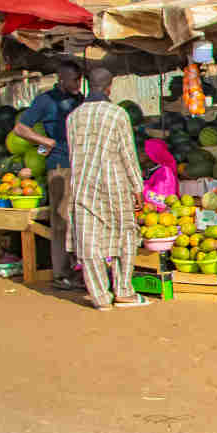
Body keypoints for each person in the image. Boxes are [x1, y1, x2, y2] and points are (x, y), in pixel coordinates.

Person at [65, 67, 149, 310]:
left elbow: (73, 156)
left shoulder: (73, 117)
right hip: (115, 183)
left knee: (89, 241)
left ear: (88, 86)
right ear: (110, 87)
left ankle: (100, 296)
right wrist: (137, 188)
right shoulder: (117, 114)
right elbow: (127, 154)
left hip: (82, 184)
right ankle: (124, 290)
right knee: (125, 235)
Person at [14, 61, 84, 290]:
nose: (77, 83)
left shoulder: (79, 100)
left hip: (80, 164)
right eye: (74, 79)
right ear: (61, 78)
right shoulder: (46, 100)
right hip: (59, 166)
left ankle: (78, 269)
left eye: (79, 79)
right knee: (61, 219)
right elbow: (21, 128)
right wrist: (45, 142)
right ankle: (61, 273)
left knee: (78, 218)